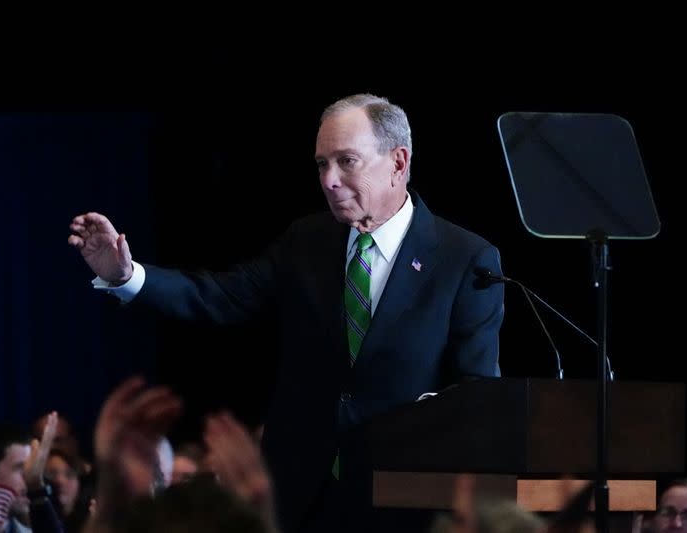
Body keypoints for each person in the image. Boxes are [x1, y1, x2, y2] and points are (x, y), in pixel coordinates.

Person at [69, 93, 505, 533]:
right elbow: (222, 297)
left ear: (398, 161)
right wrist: (126, 274)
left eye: (346, 161)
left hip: (404, 500)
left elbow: (476, 393)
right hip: (298, 498)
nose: (329, 180)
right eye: (321, 164)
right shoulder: (306, 241)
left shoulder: (464, 258)